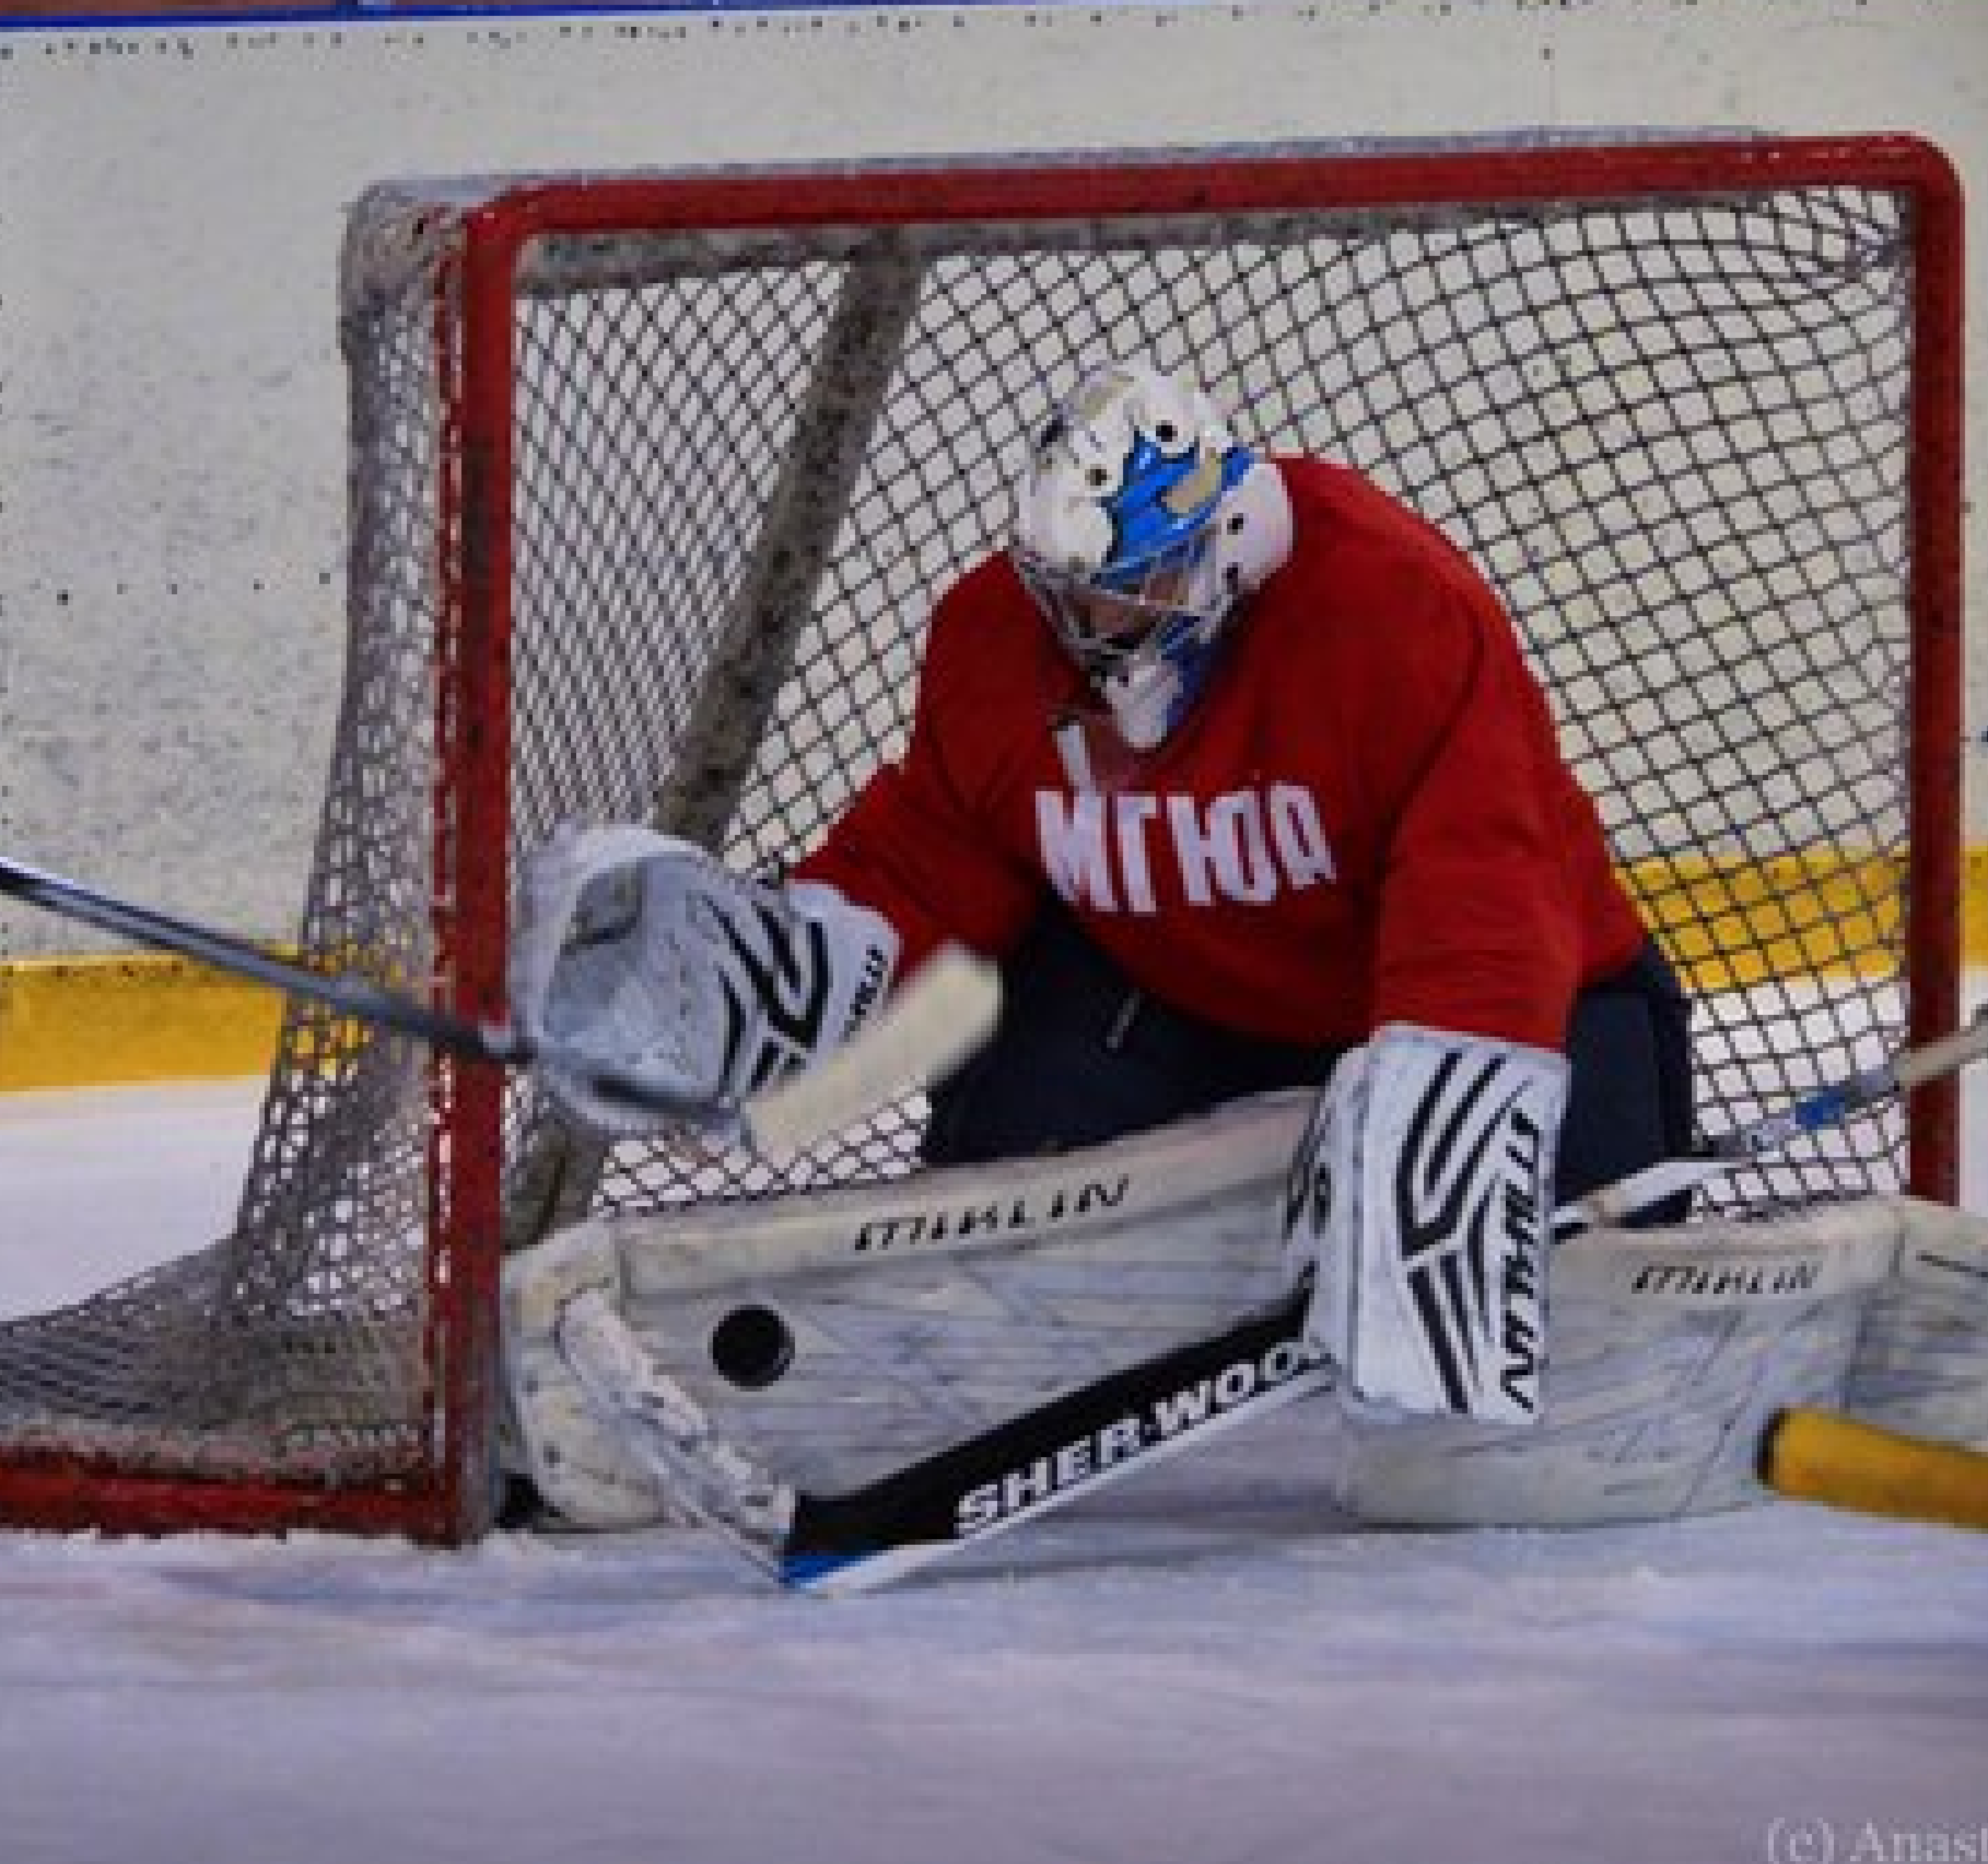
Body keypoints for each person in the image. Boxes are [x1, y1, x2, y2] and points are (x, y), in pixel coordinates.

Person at [515, 357, 1697, 1425]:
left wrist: (1441, 1120)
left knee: (1578, 1289)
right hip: (1178, 1006)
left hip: (1522, 1003)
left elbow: (1483, 891)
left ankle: (1484, 1203)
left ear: (1225, 534)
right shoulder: (996, 638)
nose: (1097, 630)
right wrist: (788, 978)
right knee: (1011, 1129)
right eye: (1075, 596)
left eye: (1135, 589)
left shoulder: (1388, 606)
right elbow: (940, 853)